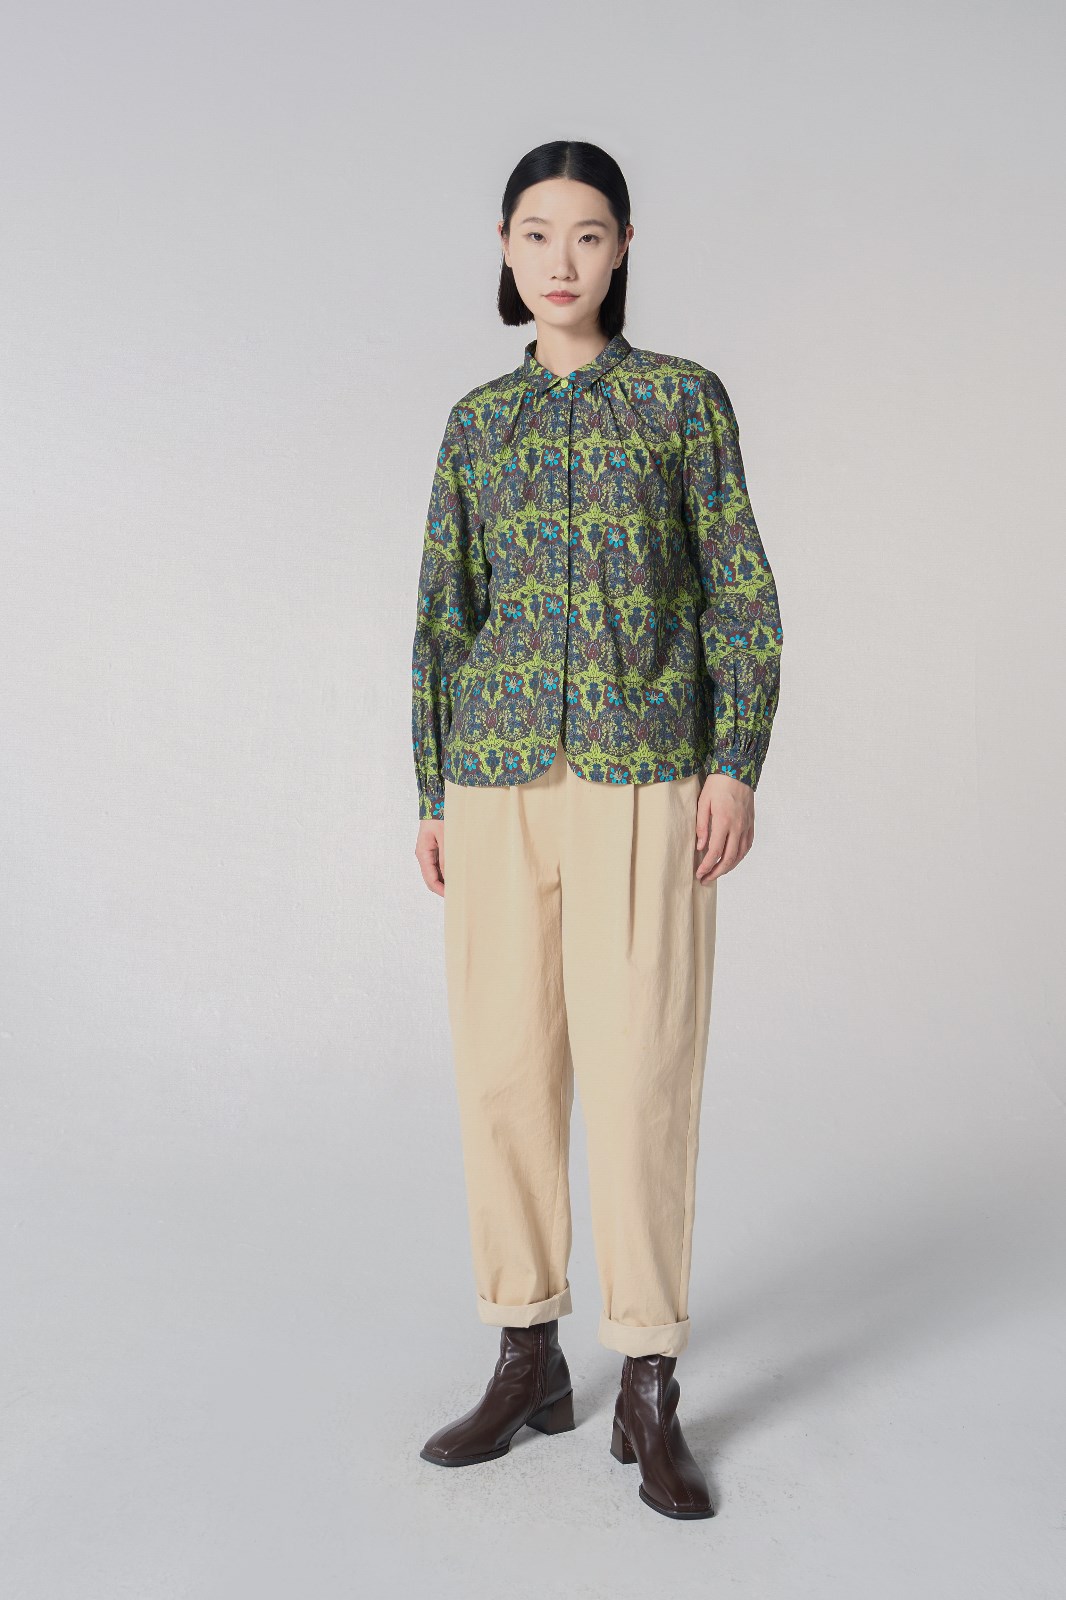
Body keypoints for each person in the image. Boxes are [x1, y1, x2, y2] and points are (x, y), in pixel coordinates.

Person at [409, 139, 784, 1521]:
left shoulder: (682, 400)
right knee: (503, 1072)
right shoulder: (476, 424)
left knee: (640, 1078)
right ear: (505, 252)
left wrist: (733, 762)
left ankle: (648, 1381)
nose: (558, 260)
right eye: (534, 233)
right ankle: (527, 1355)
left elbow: (739, 588)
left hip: (643, 773)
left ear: (623, 247)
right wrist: (432, 790)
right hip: (496, 782)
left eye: (584, 233)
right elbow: (443, 615)